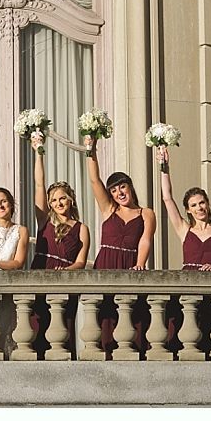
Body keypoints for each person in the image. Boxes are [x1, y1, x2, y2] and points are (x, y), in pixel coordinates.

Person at [85, 134, 156, 355]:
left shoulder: (147, 213)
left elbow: (146, 239)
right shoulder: (109, 209)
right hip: (106, 263)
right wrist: (91, 148)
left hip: (130, 264)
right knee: (105, 318)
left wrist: (140, 264)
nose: (119, 193)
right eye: (114, 190)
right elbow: (95, 180)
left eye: (122, 187)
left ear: (130, 187)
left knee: (132, 317)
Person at [158, 147, 211, 271]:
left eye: (202, 203)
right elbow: (167, 198)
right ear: (188, 210)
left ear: (207, 204)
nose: (199, 208)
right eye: (193, 205)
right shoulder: (184, 230)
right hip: (188, 283)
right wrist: (164, 167)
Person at [30, 134, 89, 270]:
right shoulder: (45, 220)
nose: (59, 204)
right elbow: (39, 184)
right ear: (50, 204)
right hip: (40, 276)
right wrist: (39, 153)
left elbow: (80, 262)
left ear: (71, 200)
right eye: (54, 200)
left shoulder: (81, 229)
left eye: (62, 198)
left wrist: (65, 271)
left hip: (66, 280)